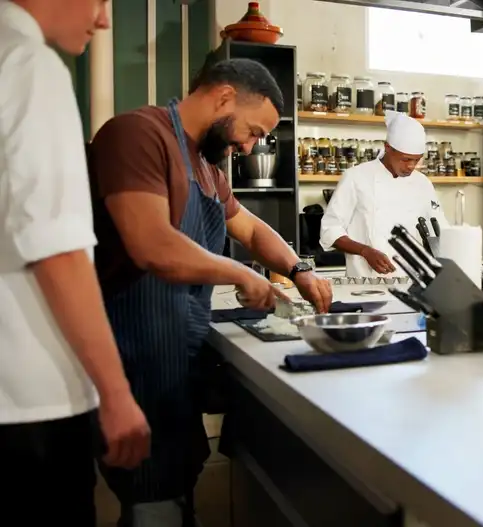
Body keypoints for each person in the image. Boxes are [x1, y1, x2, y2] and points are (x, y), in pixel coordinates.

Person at [86, 58, 332, 525]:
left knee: (175, 490)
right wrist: (241, 275)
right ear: (223, 97)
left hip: (176, 355)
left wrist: (298, 270)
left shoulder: (206, 166)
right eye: (254, 131)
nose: (250, 145)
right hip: (134, 360)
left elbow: (253, 230)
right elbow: (152, 244)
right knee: (151, 502)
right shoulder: (138, 134)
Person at [0, 0, 151, 524]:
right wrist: (115, 393)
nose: (106, 18)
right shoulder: (29, 65)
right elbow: (57, 249)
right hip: (30, 406)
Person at [319, 110, 449, 277]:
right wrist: (365, 251)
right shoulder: (356, 177)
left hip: (412, 283)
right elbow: (330, 230)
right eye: (405, 159)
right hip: (365, 284)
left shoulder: (422, 183)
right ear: (388, 148)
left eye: (416, 160)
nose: (411, 166)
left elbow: (440, 229)